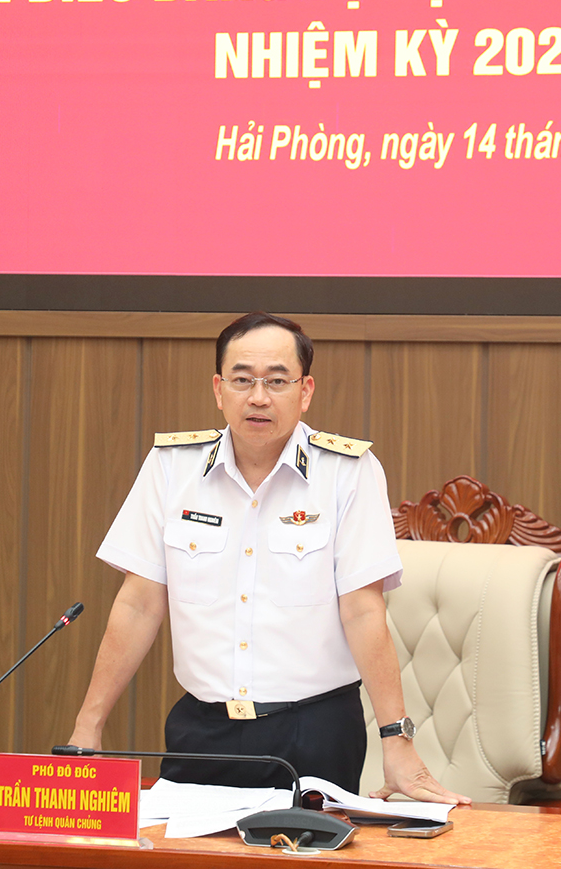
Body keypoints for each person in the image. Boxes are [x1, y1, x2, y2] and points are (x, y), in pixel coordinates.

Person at [67, 312, 468, 805]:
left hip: (314, 732)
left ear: (305, 391)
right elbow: (138, 604)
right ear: (218, 390)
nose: (258, 397)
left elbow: (363, 611)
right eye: (242, 380)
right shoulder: (172, 467)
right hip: (201, 729)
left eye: (277, 381)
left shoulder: (347, 472)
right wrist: (88, 725)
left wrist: (396, 741)